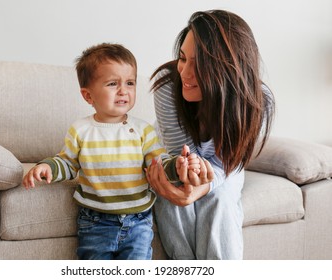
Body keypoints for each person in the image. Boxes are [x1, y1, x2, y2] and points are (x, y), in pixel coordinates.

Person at [22, 43, 203, 260]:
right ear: (88, 96)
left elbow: (158, 163)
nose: (123, 91)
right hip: (95, 222)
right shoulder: (81, 130)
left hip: (138, 221)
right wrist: (47, 167)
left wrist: (176, 165)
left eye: (130, 83)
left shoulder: (143, 130)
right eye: (112, 84)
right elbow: (68, 163)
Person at [145, 10, 275, 259]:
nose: (184, 72)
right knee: (173, 192)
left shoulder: (258, 104)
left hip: (223, 166)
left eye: (200, 64)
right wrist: (185, 190)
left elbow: (225, 164)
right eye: (183, 58)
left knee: (221, 198)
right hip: (174, 159)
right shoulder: (167, 84)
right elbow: (180, 158)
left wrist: (201, 189)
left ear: (227, 69)